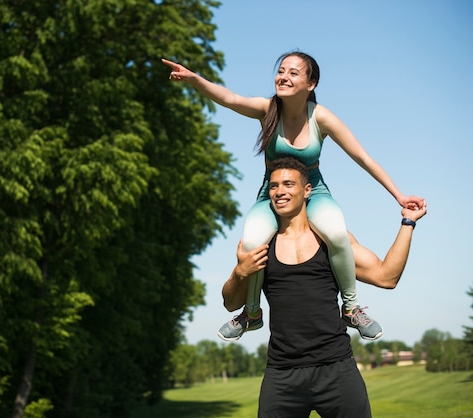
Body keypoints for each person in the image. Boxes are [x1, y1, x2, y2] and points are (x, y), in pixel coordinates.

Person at [162, 53, 425, 341]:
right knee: (251, 242)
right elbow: (230, 98)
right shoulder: (267, 109)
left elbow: (362, 157)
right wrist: (194, 79)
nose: (283, 77)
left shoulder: (320, 117)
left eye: (293, 73)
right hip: (271, 194)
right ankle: (252, 314)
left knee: (336, 233)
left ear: (311, 83)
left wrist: (398, 196)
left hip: (314, 191)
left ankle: (350, 308)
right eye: (280, 71)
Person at [221, 157, 426, 418]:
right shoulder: (261, 245)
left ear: (307, 191)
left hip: (337, 369)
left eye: (288, 184)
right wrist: (240, 272)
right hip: (282, 375)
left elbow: (387, 277)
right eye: (273, 186)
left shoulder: (331, 241)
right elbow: (230, 303)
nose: (280, 191)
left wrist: (408, 223)